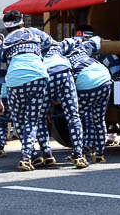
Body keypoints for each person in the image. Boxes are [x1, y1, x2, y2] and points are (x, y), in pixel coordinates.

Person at [0, 10, 49, 171]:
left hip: (14, 80)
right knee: (32, 120)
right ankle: (29, 156)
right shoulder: (34, 32)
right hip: (37, 77)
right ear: (22, 24)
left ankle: (30, 156)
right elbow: (49, 43)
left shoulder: (5, 42)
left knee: (19, 121)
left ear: (6, 29)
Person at [35, 31, 87, 168]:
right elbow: (74, 40)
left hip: (46, 76)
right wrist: (80, 39)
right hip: (64, 73)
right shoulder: (57, 47)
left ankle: (47, 155)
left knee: (40, 117)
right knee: (73, 115)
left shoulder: (34, 52)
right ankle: (78, 154)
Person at [65, 30, 112, 164]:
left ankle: (78, 153)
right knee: (99, 119)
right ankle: (100, 154)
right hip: (104, 77)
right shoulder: (83, 48)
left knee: (76, 118)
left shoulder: (62, 57)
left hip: (86, 81)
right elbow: (96, 39)